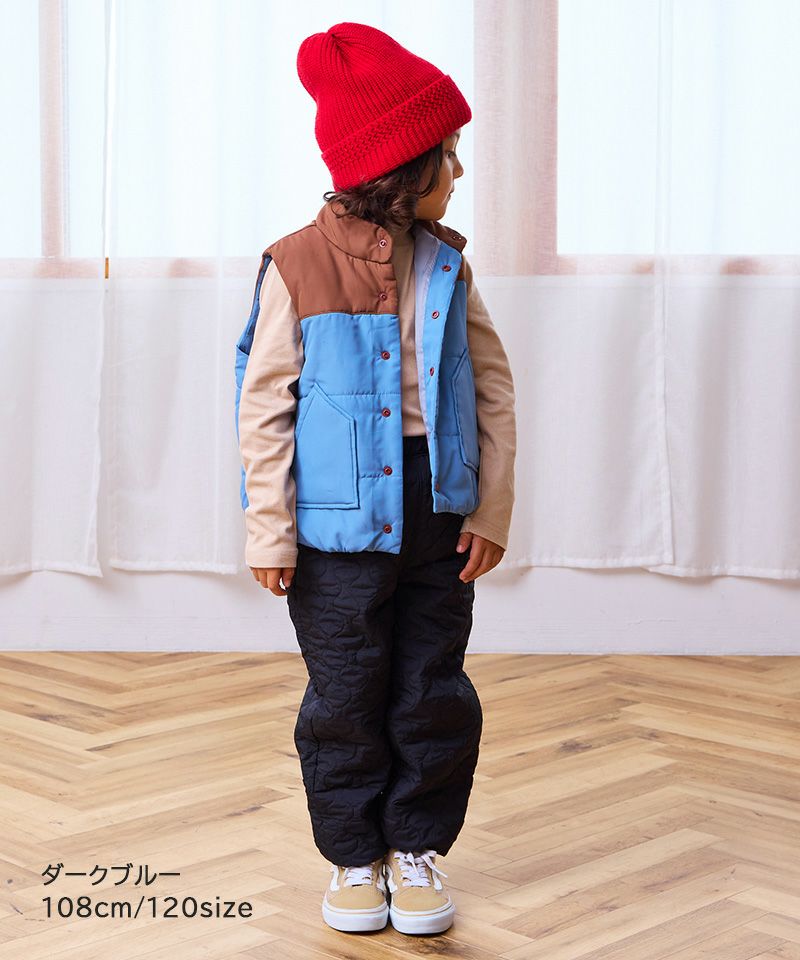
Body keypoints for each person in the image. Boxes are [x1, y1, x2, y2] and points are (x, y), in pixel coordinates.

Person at [235, 21, 516, 937]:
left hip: (439, 508)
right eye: (448, 153)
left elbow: (491, 383)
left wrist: (491, 506)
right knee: (347, 692)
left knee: (432, 684)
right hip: (335, 531)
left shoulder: (447, 263)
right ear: (400, 164)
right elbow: (264, 406)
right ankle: (354, 855)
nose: (459, 171)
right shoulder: (296, 265)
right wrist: (270, 529)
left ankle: (417, 847)